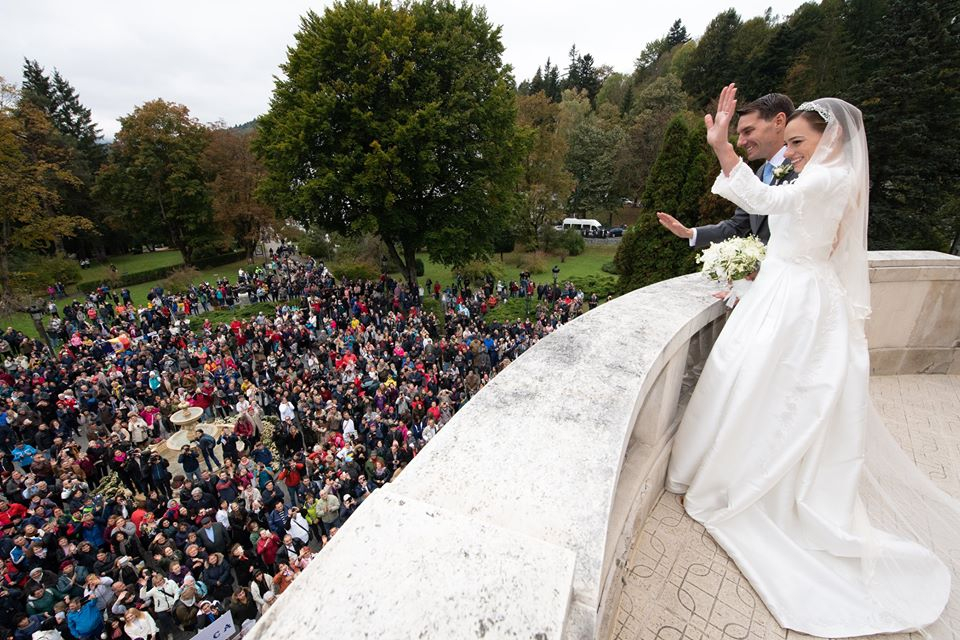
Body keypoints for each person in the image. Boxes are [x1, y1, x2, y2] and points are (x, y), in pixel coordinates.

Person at [665, 85, 954, 636]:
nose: (789, 152)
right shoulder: (829, 177)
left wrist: (722, 145)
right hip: (787, 284)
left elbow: (766, 203)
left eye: (797, 141)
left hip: (794, 295)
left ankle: (753, 474)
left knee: (764, 385)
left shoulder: (830, 177)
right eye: (789, 142)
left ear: (833, 136)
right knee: (750, 378)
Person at [656, 92, 795, 246]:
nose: (740, 142)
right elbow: (738, 225)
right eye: (740, 134)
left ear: (779, 121)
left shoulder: (805, 168)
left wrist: (721, 146)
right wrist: (690, 233)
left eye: (748, 131)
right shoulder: (761, 172)